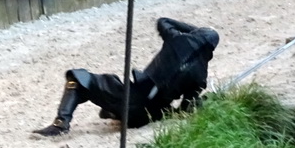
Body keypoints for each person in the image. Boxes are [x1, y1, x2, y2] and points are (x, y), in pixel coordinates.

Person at [33, 17, 220, 134]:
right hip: (149, 115)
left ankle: (60, 124)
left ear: (196, 35)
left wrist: (193, 32)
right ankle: (114, 112)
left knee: (78, 79)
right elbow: (185, 108)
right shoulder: (200, 76)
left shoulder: (179, 39)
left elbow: (163, 21)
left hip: (133, 97)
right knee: (114, 92)